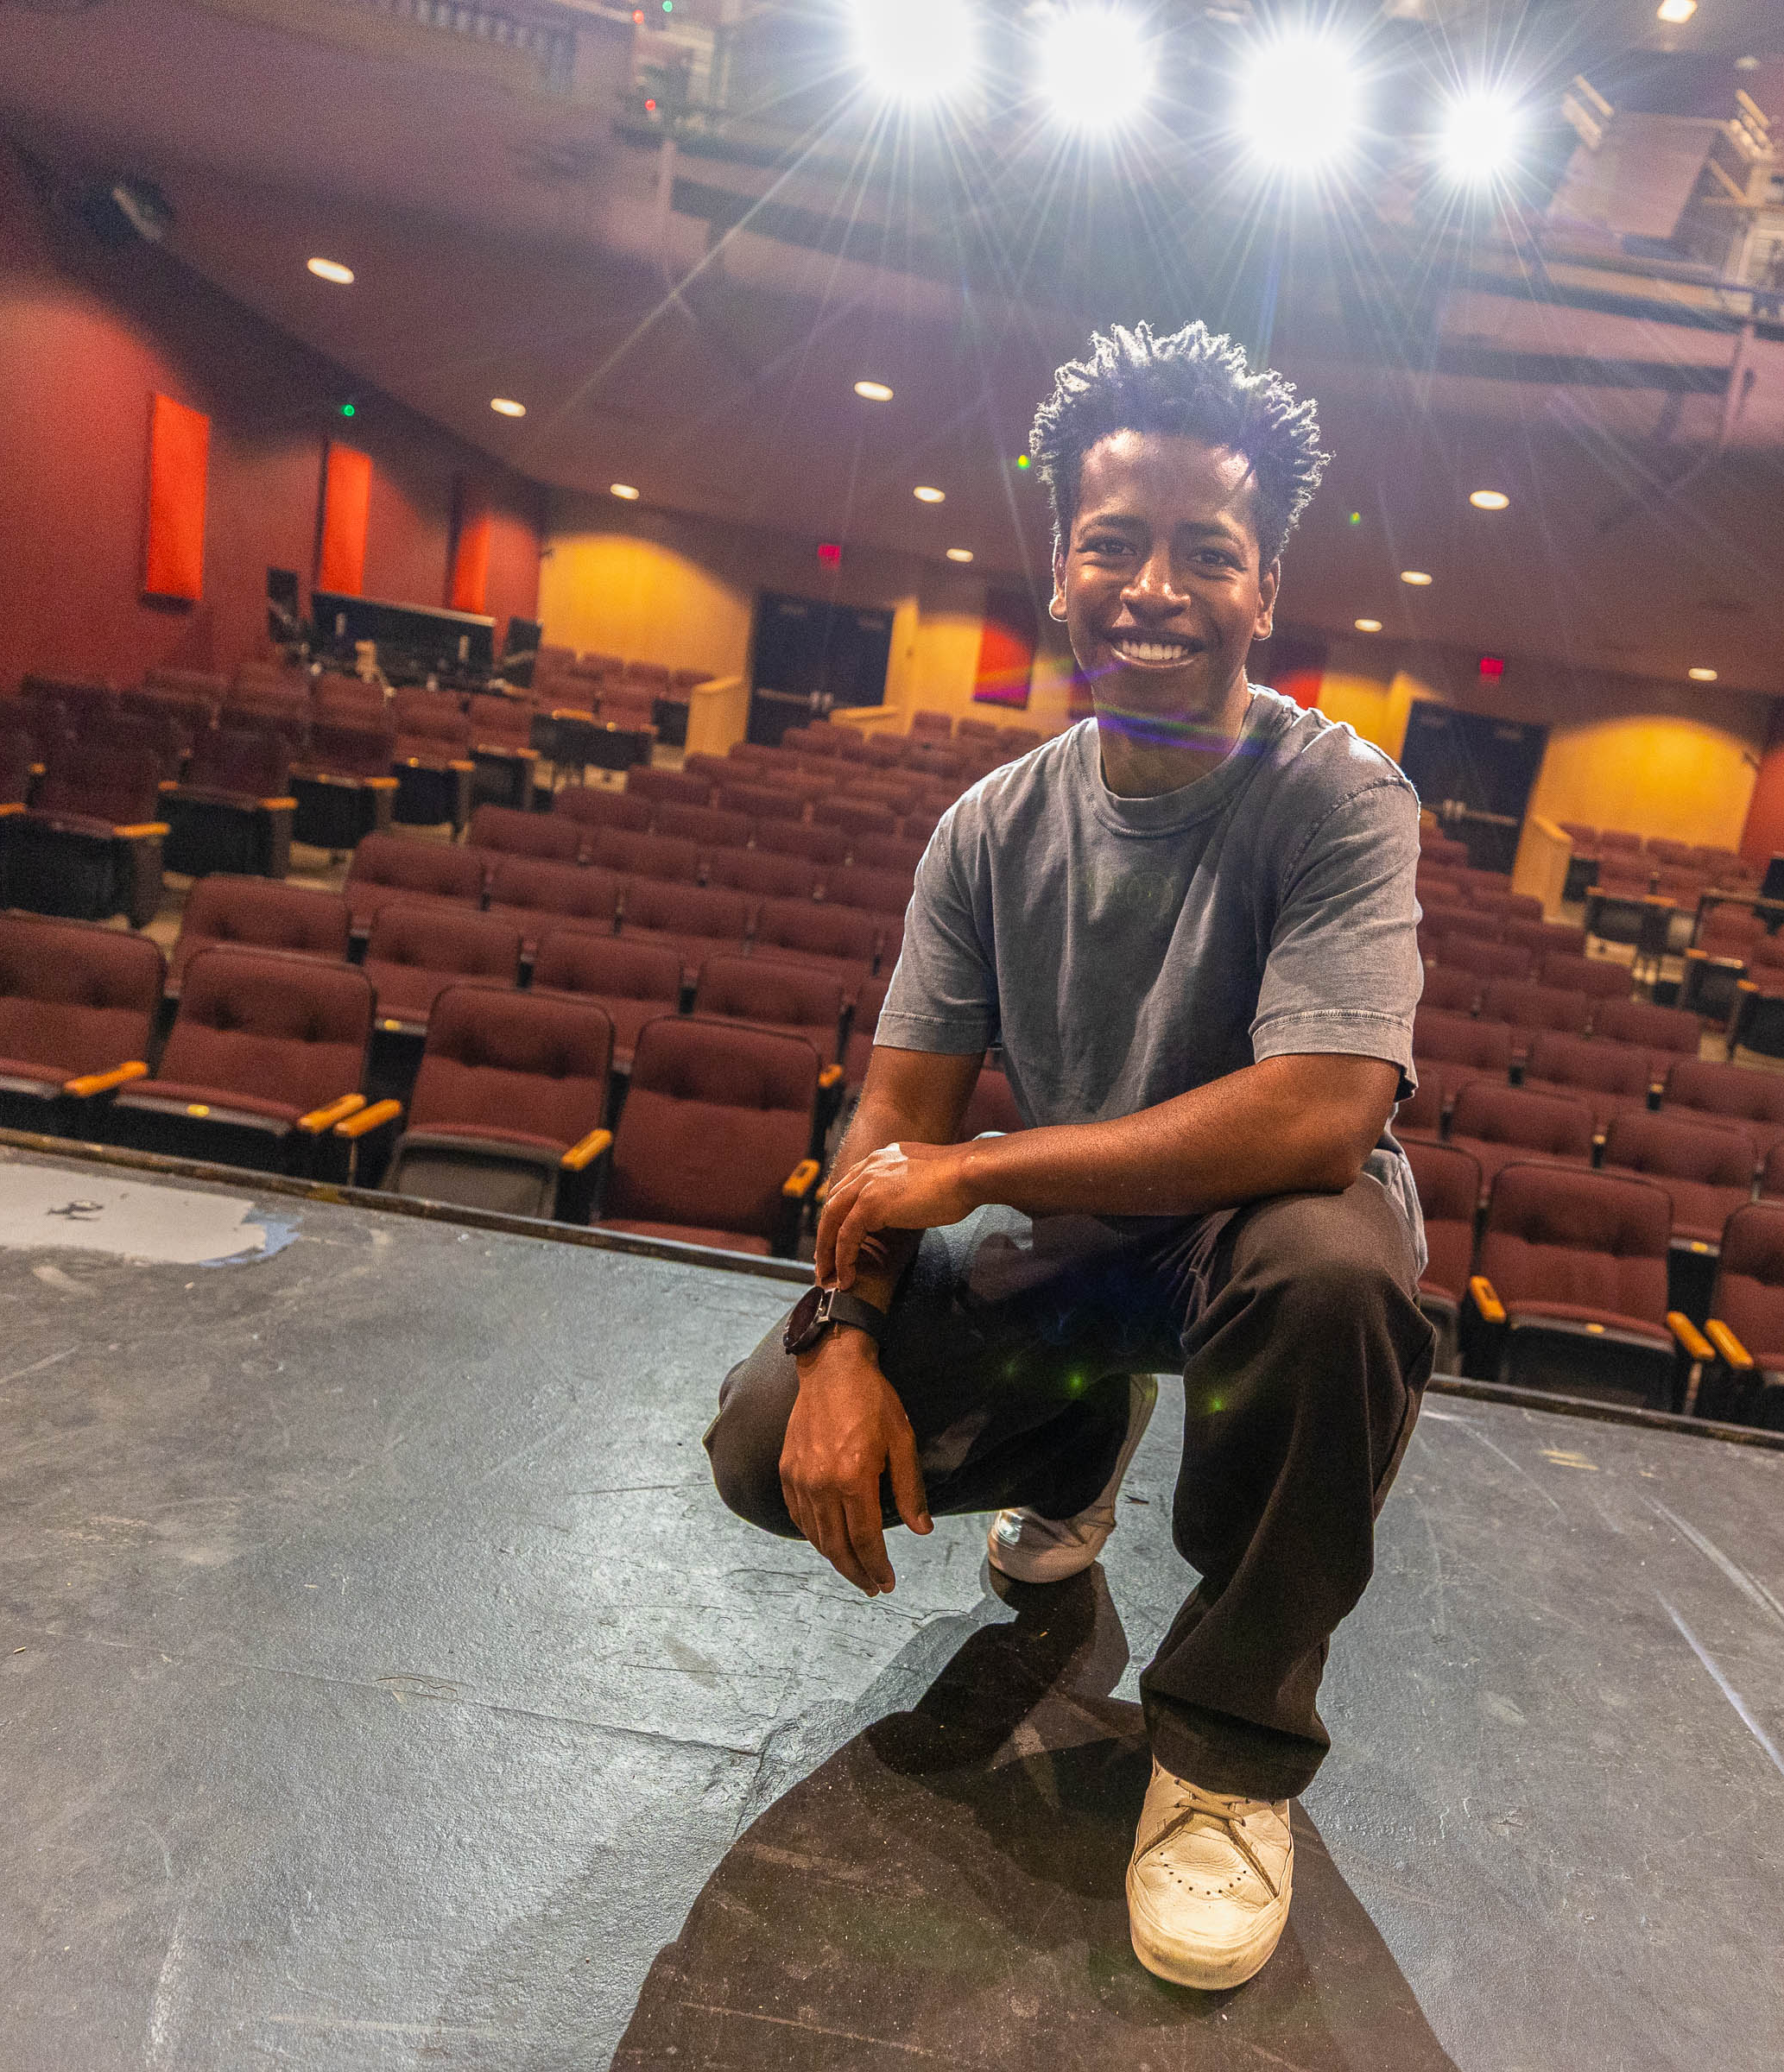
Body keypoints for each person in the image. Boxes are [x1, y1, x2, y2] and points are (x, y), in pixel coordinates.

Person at [705, 320, 1433, 1992]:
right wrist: (844, 1339)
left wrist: (977, 1174)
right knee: (758, 1447)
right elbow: (891, 1120)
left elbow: (1324, 1110)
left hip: (1252, 1246)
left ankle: (1228, 1759)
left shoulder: (1338, 799)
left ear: (1266, 591)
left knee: (1333, 1270)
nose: (1154, 587)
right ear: (1058, 568)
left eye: (1207, 554)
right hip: (1082, 1241)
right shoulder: (988, 827)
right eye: (1115, 543)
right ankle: (1075, 1447)